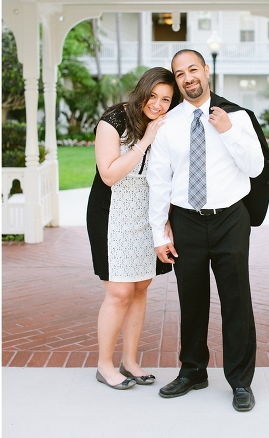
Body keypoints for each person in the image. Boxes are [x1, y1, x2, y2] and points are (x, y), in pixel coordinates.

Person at [147, 49, 263, 412]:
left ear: (206, 70)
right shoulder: (168, 124)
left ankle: (240, 381)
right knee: (191, 299)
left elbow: (256, 167)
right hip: (187, 221)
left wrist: (228, 132)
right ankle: (193, 371)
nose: (188, 78)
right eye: (180, 73)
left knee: (236, 300)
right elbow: (159, 180)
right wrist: (158, 234)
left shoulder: (237, 117)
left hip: (230, 219)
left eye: (193, 69)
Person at [86, 67, 180, 390]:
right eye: (153, 96)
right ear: (142, 91)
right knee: (120, 292)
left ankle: (130, 361)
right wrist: (146, 140)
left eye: (166, 99)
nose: (157, 104)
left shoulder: (165, 125)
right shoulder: (113, 121)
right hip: (111, 213)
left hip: (146, 213)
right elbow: (109, 174)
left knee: (140, 287)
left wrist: (165, 219)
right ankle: (104, 365)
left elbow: (166, 177)